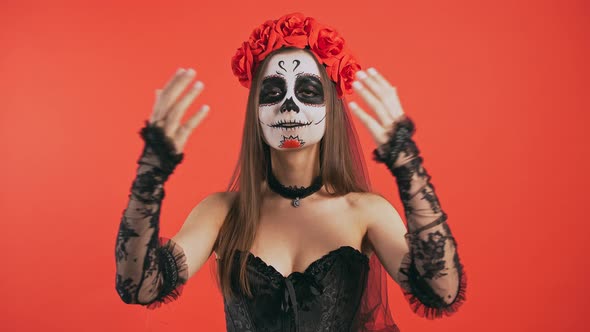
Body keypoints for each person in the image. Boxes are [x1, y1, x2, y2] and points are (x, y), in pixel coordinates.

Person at [115, 12, 467, 331]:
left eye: (308, 90)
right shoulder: (222, 214)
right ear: (256, 110)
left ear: (331, 106)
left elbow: (442, 289)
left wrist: (406, 162)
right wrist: (153, 167)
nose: (289, 105)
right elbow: (141, 286)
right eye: (272, 91)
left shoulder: (365, 213)